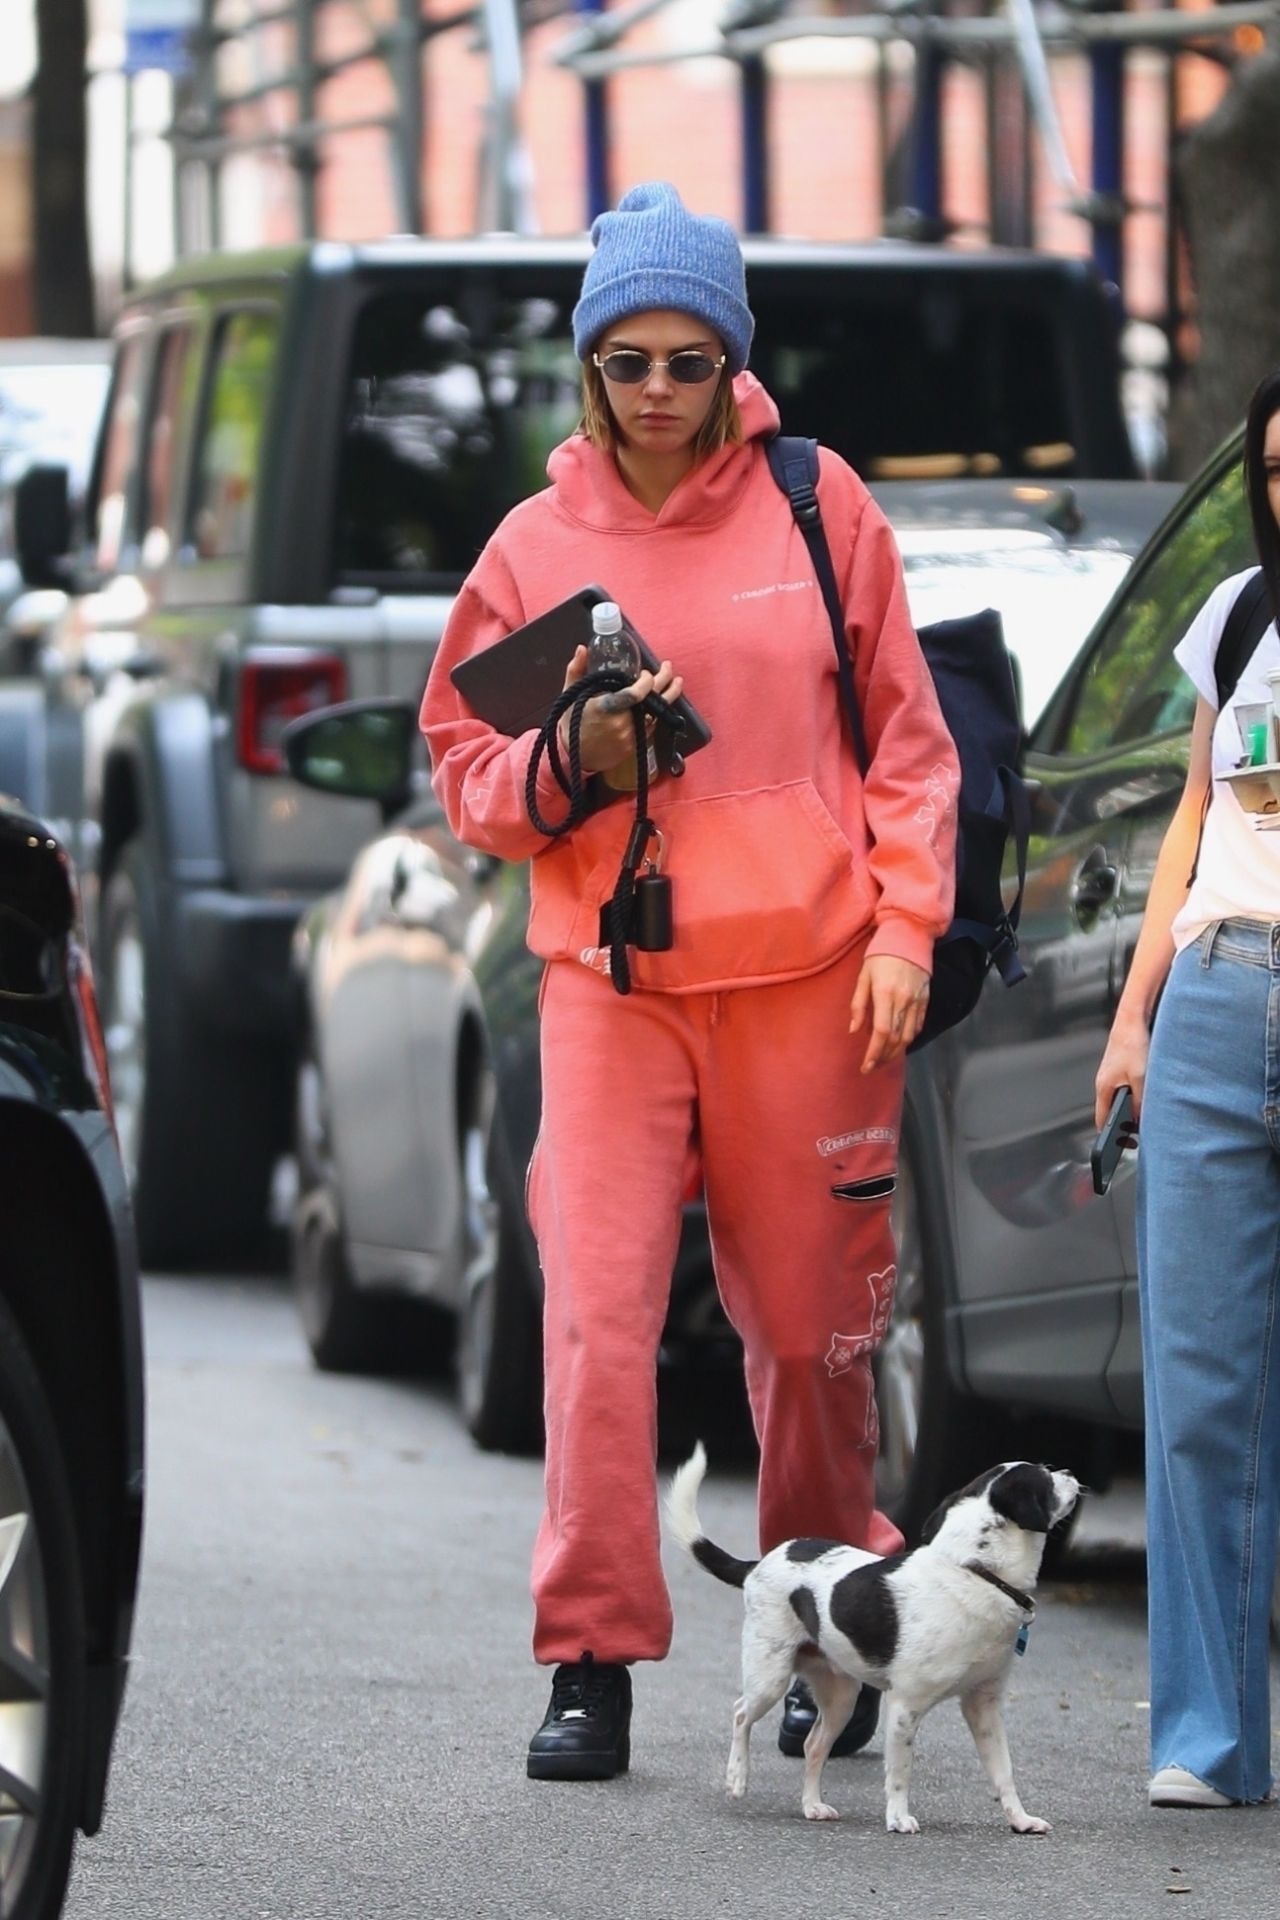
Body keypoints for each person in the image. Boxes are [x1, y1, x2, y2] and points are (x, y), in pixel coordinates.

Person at [420, 182, 959, 1780]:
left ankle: (825, 1626)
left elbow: (911, 748)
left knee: (805, 1334)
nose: (658, 387)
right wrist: (563, 765)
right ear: (591, 369)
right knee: (593, 1320)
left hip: (810, 974)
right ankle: (591, 1657)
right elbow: (463, 771)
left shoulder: (819, 503)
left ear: (732, 360)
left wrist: (907, 933)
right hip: (611, 984)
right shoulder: (530, 544)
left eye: (688, 356)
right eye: (629, 359)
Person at [1095, 367, 1280, 1812]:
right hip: (1216, 997)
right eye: (1275, 472)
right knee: (1202, 1389)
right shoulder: (1241, 613)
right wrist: (1134, 1015)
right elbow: (1191, 820)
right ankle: (1208, 1739)